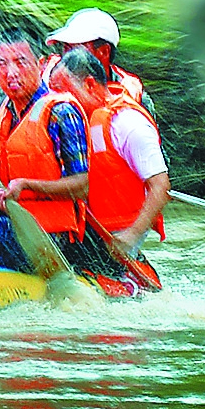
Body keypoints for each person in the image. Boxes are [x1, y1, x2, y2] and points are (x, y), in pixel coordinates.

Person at [0, 27, 91, 272]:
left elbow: (82, 185)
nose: (11, 73)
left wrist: (28, 185)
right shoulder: (4, 111)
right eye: (2, 64)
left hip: (46, 238)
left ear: (40, 64)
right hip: (8, 223)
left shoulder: (61, 112)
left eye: (20, 62)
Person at [52, 47, 172, 261]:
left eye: (62, 92)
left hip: (118, 235)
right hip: (88, 229)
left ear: (89, 84)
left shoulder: (129, 123)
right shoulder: (74, 124)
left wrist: (132, 235)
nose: (57, 101)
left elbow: (161, 186)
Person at [44, 8, 147, 104]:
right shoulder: (46, 77)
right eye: (65, 47)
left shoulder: (133, 96)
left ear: (104, 52)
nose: (67, 56)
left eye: (75, 49)